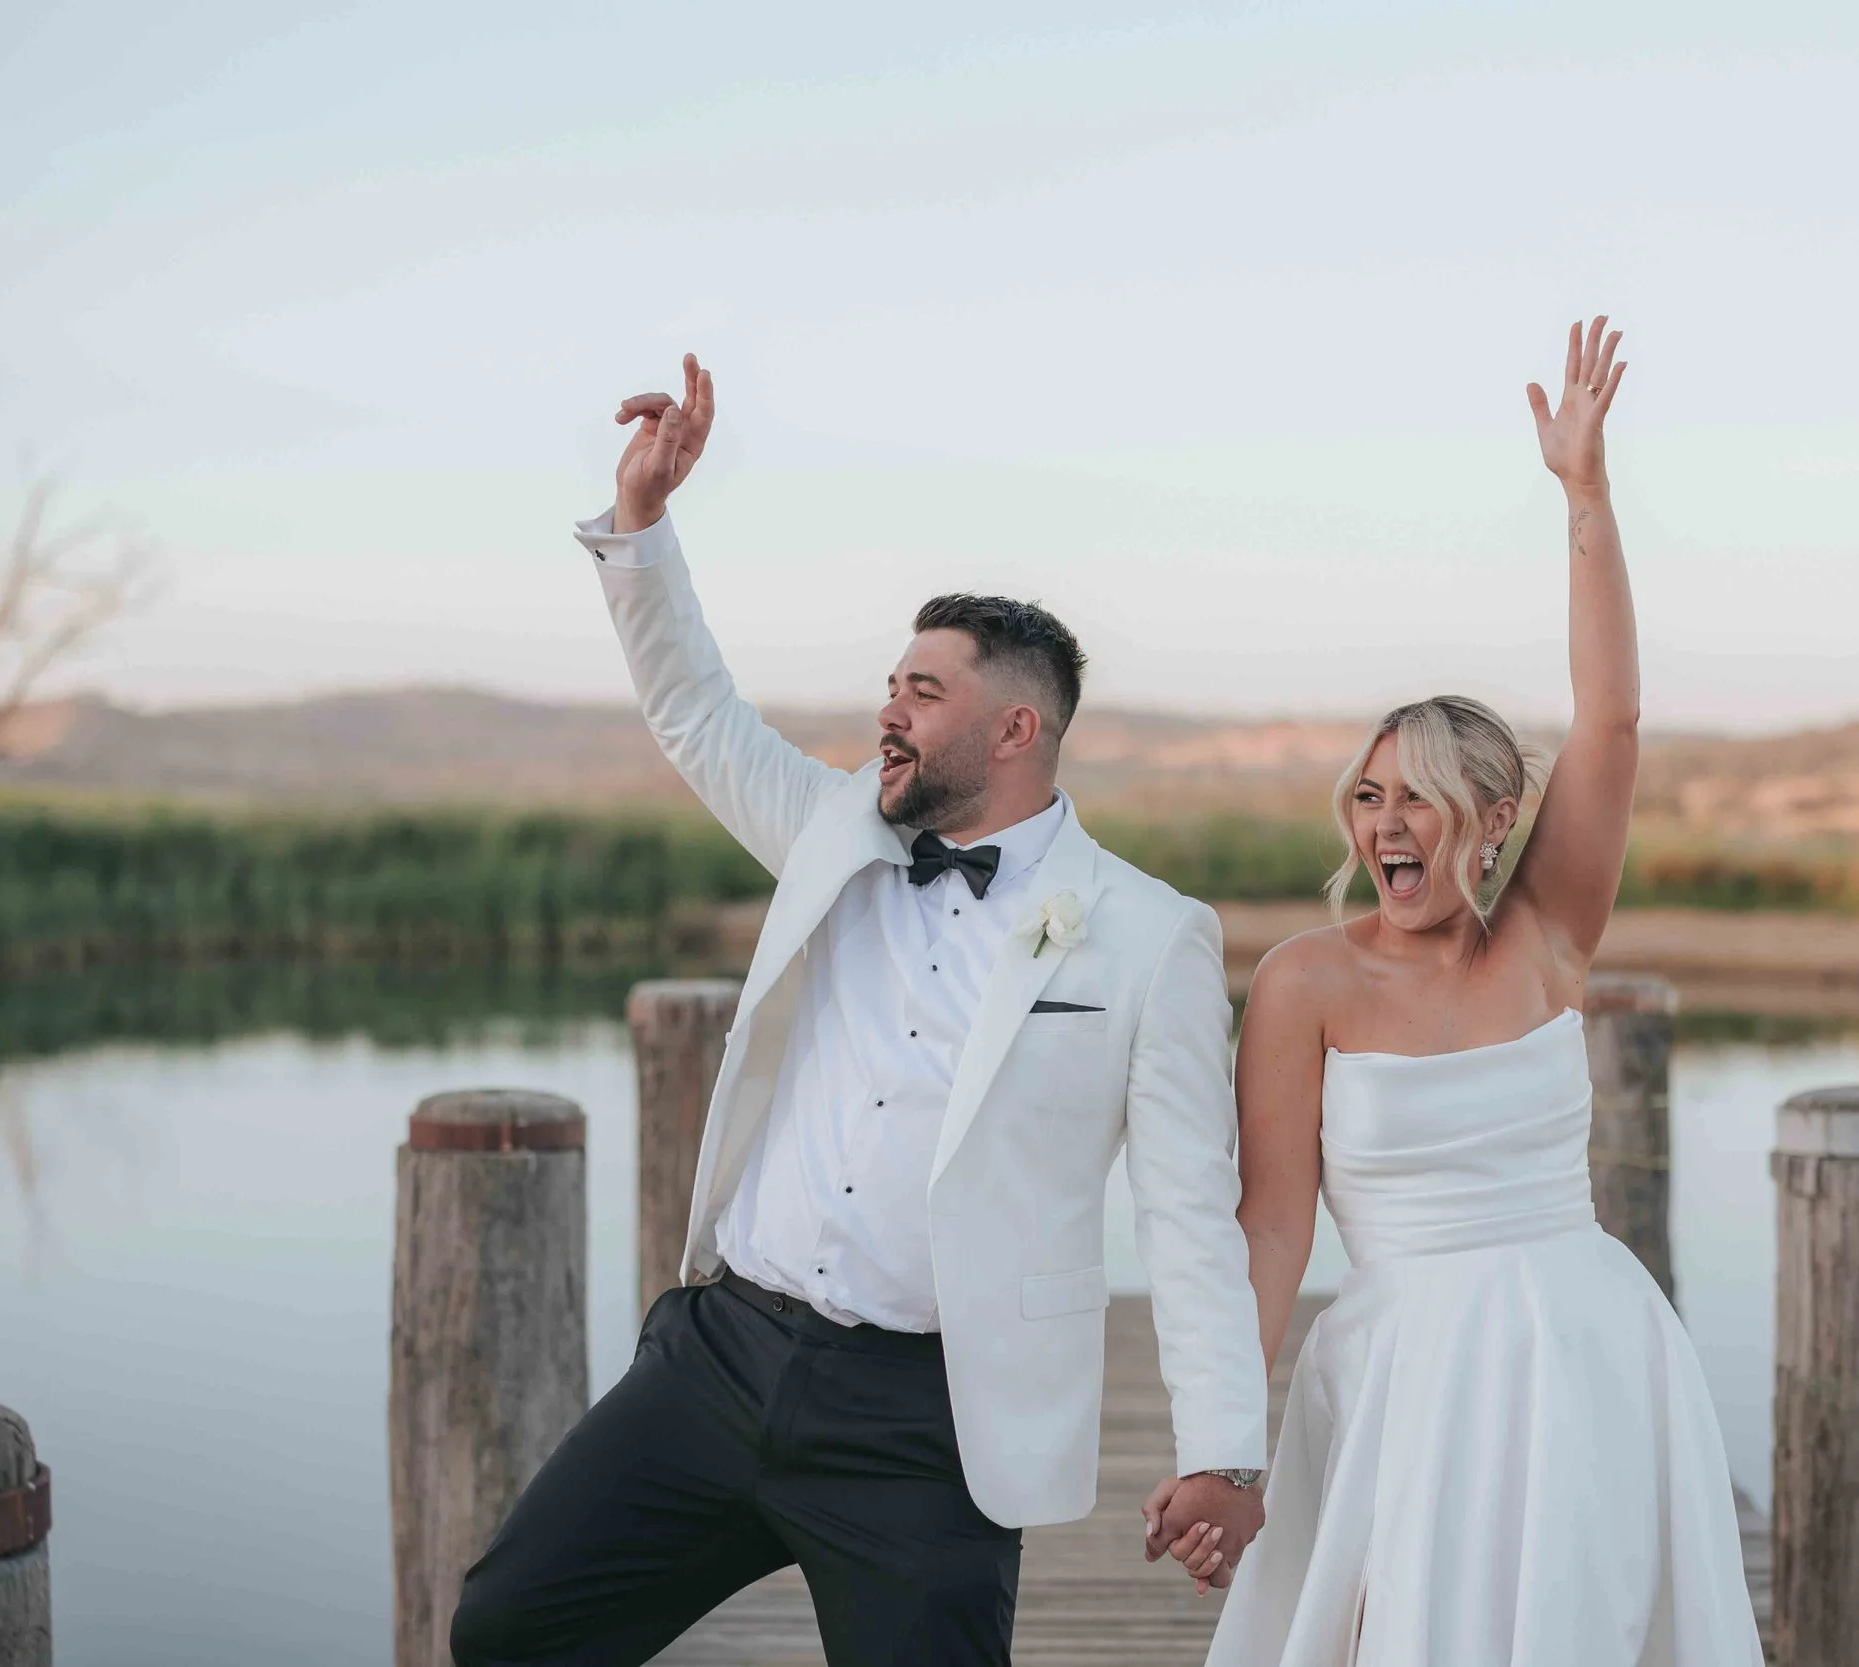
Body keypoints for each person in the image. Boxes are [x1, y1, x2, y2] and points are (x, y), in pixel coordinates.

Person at [448, 356, 1270, 1666]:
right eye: (892, 684)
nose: (887, 713)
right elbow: (698, 712)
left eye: (921, 693)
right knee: (509, 1627)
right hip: (721, 1358)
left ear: (1015, 729)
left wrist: (1226, 1446)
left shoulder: (1150, 934)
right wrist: (646, 524)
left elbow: (1187, 1213)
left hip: (927, 1424)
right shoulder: (835, 830)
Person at [1175, 318, 1764, 1662]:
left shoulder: (1548, 939)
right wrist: (1225, 1446)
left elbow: (1607, 721)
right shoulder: (1303, 983)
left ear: (1492, 820)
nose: (1389, 823)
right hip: (1405, 1378)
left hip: (1590, 1361)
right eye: (1368, 796)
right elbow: (1272, 1230)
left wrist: (1587, 500)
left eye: (1421, 799)